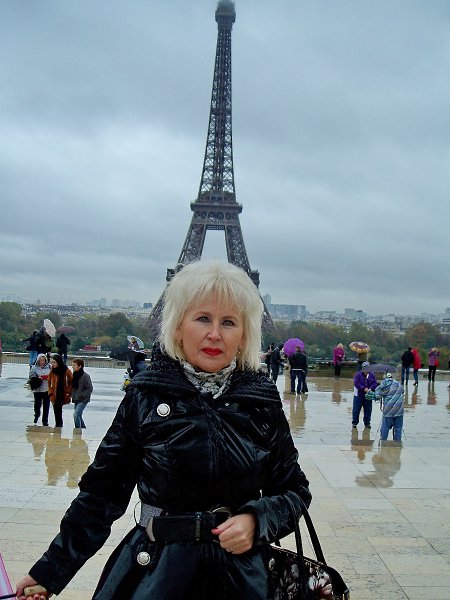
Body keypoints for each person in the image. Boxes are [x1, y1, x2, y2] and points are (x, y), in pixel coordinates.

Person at [16, 260, 311, 600]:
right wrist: (49, 572)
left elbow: (294, 490)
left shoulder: (261, 402)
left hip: (239, 578)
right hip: (158, 573)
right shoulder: (145, 396)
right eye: (203, 318)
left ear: (244, 335)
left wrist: (257, 521)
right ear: (178, 327)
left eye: (228, 322)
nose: (215, 334)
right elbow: (101, 496)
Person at [374, 373, 404, 441]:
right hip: (399, 410)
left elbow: (377, 396)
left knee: (385, 427)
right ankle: (397, 443)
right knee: (398, 428)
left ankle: (383, 442)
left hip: (388, 410)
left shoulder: (384, 384)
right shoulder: (398, 384)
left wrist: (377, 387)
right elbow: (402, 391)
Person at [47, 354, 73, 428]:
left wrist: (68, 392)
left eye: (54, 362)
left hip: (63, 393)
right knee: (56, 410)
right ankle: (58, 425)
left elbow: (71, 381)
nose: (53, 364)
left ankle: (59, 425)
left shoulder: (66, 370)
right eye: (52, 362)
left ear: (58, 362)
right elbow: (49, 382)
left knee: (59, 409)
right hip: (54, 394)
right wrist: (50, 392)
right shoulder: (52, 371)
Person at [352, 361, 377, 429]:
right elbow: (356, 383)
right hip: (358, 395)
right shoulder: (358, 374)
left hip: (368, 396)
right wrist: (363, 388)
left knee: (368, 410)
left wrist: (371, 388)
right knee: (356, 410)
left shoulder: (372, 375)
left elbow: (374, 383)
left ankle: (367, 423)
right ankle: (354, 423)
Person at [29, 354, 51, 426]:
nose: (42, 362)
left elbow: (53, 376)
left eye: (43, 360)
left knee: (46, 406)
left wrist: (48, 377)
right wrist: (38, 378)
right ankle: (37, 414)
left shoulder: (50, 367)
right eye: (40, 360)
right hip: (38, 389)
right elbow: (31, 376)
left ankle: (45, 421)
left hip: (47, 389)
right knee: (37, 405)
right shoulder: (34, 368)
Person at [71, 358, 93, 430]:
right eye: (72, 365)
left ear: (79, 366)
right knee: (79, 415)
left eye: (74, 365)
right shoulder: (74, 375)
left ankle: (77, 430)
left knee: (76, 415)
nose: (72, 367)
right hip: (76, 398)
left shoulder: (85, 376)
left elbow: (90, 388)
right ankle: (83, 429)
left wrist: (82, 395)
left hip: (83, 399)